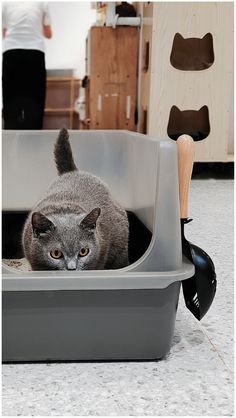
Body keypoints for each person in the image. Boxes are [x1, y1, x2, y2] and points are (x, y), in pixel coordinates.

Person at [2, 2, 52, 129]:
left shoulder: (7, 4)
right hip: (35, 52)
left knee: (11, 100)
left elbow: (4, 33)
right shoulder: (42, 2)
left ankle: (11, 139)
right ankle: (34, 140)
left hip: (11, 52)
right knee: (35, 99)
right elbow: (48, 34)